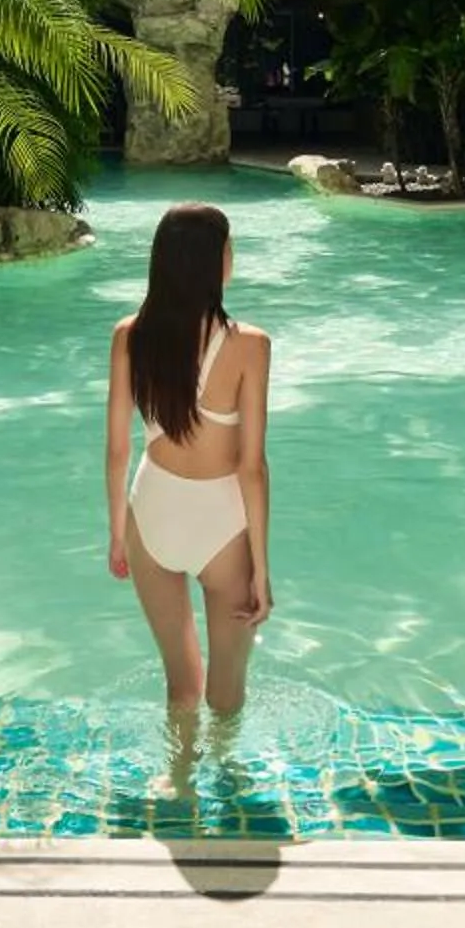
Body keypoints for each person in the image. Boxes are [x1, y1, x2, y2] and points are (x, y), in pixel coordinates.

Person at [105, 200, 272, 720]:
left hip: (150, 510)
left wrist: (117, 534)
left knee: (181, 686)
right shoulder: (251, 346)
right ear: (218, 261)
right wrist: (262, 571)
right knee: (225, 694)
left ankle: (176, 782)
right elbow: (252, 467)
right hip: (221, 521)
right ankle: (231, 786)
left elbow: (116, 448)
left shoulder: (129, 335)